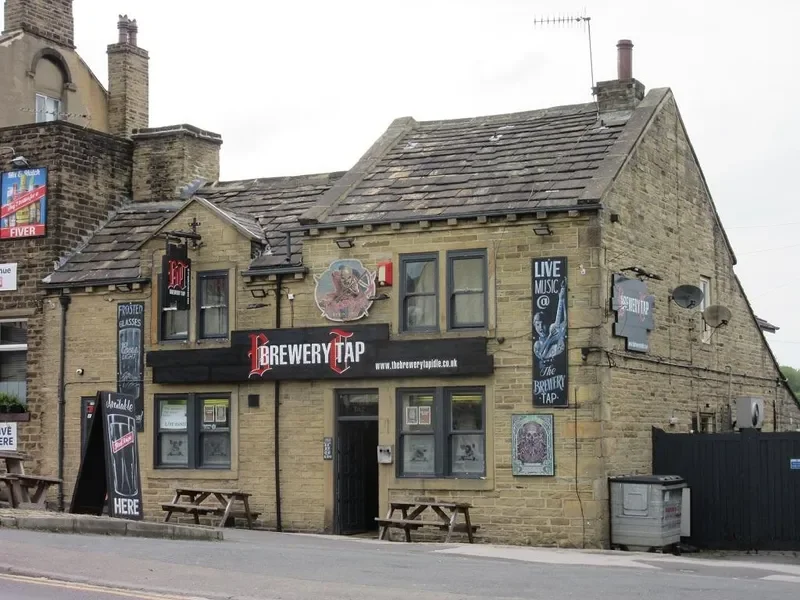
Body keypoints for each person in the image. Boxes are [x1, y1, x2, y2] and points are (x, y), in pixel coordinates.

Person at [533, 282, 566, 362]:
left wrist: (562, 300)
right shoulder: (537, 344)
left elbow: (565, 321)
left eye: (543, 324)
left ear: (548, 324)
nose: (540, 327)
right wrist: (549, 337)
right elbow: (541, 355)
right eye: (537, 324)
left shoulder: (557, 336)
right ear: (534, 325)